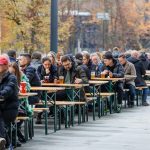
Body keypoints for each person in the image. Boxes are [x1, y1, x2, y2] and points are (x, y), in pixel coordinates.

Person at [9, 62, 32, 144]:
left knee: (21, 113)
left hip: (21, 104)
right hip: (9, 104)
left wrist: (23, 79)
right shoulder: (4, 77)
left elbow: (28, 88)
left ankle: (14, 138)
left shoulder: (22, 77)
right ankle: (15, 137)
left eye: (13, 72)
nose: (11, 74)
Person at [0, 55, 19, 148]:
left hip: (10, 108)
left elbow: (8, 90)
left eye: (1, 65)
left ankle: (5, 142)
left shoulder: (12, 78)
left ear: (6, 66)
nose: (0, 66)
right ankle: (5, 143)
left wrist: (1, 94)